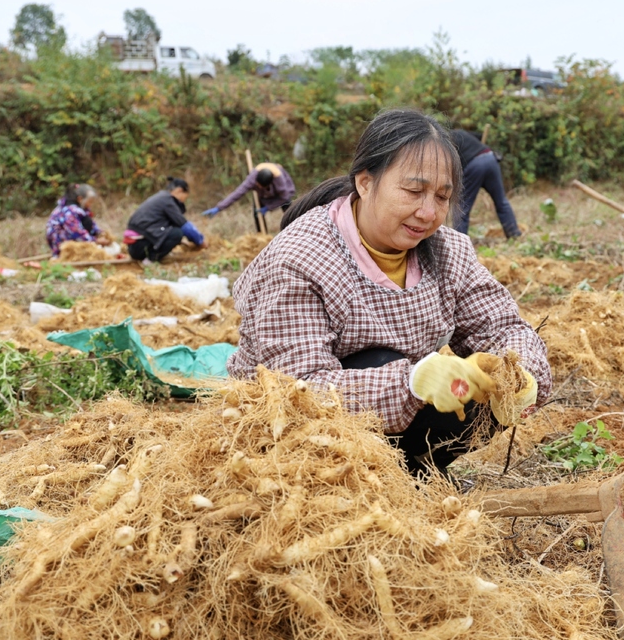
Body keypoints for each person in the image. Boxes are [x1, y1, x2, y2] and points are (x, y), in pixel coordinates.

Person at [227, 109, 551, 477]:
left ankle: (411, 472)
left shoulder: (449, 250)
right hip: (293, 445)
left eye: (442, 197)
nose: (428, 213)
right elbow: (296, 391)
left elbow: (504, 326)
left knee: (483, 385)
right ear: (365, 183)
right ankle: (365, 478)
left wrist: (519, 371)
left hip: (386, 419)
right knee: (380, 360)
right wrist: (412, 381)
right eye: (413, 191)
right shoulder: (300, 259)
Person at [450, 129, 520, 238]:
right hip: (491, 158)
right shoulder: (461, 133)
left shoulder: (446, 140)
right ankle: (514, 234)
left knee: (462, 208)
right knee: (501, 201)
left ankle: (459, 241)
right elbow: (479, 135)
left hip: (475, 165)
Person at [125, 177, 207, 263]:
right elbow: (185, 226)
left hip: (134, 246)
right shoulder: (167, 201)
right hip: (139, 245)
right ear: (179, 190)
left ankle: (154, 254)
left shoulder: (161, 197)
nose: (183, 201)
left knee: (174, 230)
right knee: (177, 233)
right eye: (185, 197)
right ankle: (151, 260)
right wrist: (200, 242)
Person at [202, 162, 296, 225]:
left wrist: (268, 208)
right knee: (257, 214)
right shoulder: (252, 179)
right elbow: (237, 193)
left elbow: (284, 197)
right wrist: (219, 208)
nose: (258, 187)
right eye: (257, 185)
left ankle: (292, 231)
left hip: (281, 197)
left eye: (261, 186)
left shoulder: (280, 180)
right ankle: (262, 237)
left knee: (289, 212)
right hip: (263, 196)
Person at [46, 183, 101, 257]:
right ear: (80, 199)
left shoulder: (82, 210)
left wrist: (100, 234)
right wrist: (95, 241)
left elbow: (93, 226)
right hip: (61, 243)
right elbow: (76, 232)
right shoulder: (69, 211)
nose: (90, 204)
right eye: (89, 201)